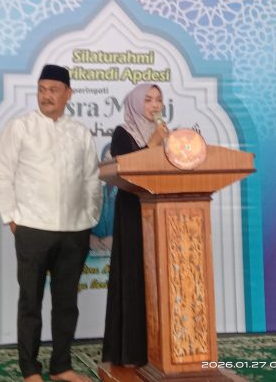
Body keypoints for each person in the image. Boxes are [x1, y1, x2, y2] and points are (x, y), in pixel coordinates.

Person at [0, 64, 101, 382]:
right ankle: (30, 369)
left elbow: (91, 179)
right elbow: (2, 173)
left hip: (74, 230)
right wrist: (12, 218)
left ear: (69, 94)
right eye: (42, 90)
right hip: (32, 228)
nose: (46, 96)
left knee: (67, 303)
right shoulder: (20, 127)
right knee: (31, 301)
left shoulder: (80, 132)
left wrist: (90, 217)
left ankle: (61, 366)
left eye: (53, 90)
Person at [102, 83, 168, 367]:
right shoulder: (123, 133)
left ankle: (161, 348)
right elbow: (127, 169)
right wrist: (153, 143)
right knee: (135, 276)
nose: (154, 105)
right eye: (148, 99)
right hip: (133, 212)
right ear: (135, 103)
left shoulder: (165, 135)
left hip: (162, 211)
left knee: (158, 277)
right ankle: (132, 351)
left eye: (158, 100)